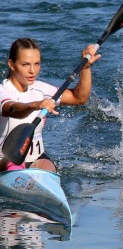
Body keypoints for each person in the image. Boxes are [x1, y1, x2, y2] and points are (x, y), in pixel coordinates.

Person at [0, 38, 100, 172]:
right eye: (25, 64)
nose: (33, 71)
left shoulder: (41, 89)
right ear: (11, 64)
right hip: (5, 161)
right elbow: (12, 109)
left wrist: (86, 68)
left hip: (36, 159)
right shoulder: (3, 91)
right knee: (12, 166)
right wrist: (34, 105)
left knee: (48, 167)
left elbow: (79, 98)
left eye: (37, 64)